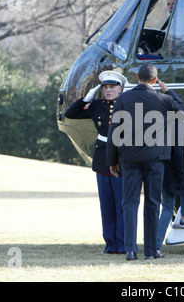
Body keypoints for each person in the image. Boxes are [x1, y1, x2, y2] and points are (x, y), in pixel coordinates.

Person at [106, 63, 184, 261]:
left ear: (136, 77)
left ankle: (131, 250)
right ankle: (152, 251)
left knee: (130, 203)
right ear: (155, 80)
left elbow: (114, 131)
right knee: (153, 203)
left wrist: (112, 160)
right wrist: (170, 92)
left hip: (130, 159)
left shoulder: (124, 99)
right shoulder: (164, 99)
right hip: (156, 160)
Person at [65, 71, 127, 254]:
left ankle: (122, 244)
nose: (108, 90)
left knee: (121, 205)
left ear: (120, 89)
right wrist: (86, 98)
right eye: (105, 87)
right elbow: (71, 113)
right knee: (106, 205)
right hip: (101, 157)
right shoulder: (97, 105)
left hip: (121, 156)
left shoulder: (126, 104)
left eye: (112, 87)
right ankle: (110, 245)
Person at [157, 123, 184, 256]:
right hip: (170, 170)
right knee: (168, 208)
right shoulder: (177, 126)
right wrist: (180, 175)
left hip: (155, 168)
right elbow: (179, 154)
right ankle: (156, 246)